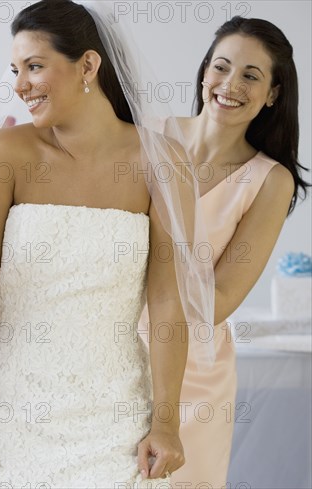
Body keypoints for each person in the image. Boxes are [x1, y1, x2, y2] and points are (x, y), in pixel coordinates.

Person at [0, 0, 214, 485]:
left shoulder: (161, 162)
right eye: (15, 70)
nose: (19, 85)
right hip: (13, 417)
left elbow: (166, 302)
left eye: (34, 66)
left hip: (118, 420)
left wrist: (166, 422)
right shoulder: (4, 156)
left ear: (88, 65)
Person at [138, 17, 309, 488]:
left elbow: (221, 299)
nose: (230, 85)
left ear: (273, 93)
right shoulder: (144, 134)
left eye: (251, 76)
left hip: (195, 372)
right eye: (221, 67)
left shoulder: (269, 181)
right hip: (112, 348)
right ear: (203, 72)